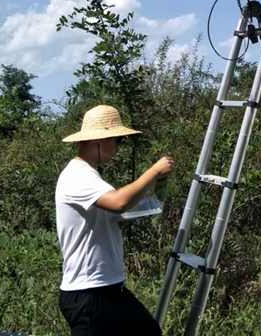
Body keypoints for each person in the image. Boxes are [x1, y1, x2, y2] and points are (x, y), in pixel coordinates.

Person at [55, 104, 174, 336]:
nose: (118, 147)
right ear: (101, 141)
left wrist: (148, 202)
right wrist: (154, 171)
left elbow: (113, 216)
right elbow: (119, 202)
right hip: (89, 294)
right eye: (117, 140)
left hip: (110, 289)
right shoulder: (77, 176)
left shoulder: (91, 176)